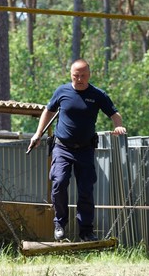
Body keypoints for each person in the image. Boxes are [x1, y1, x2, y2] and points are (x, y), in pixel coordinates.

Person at [28, 58, 126, 242]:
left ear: (89, 75)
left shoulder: (97, 94)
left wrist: (119, 126)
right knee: (59, 182)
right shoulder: (62, 91)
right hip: (62, 148)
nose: (79, 79)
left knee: (86, 190)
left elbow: (114, 113)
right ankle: (60, 224)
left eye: (83, 75)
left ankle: (86, 231)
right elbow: (48, 111)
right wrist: (37, 134)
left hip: (85, 149)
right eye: (76, 75)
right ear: (71, 75)